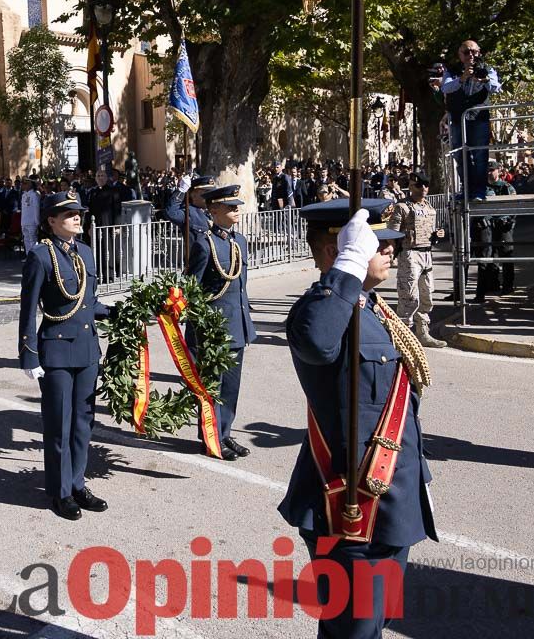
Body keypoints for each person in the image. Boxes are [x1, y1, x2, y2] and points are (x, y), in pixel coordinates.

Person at [280, 199, 437, 639]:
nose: (391, 250)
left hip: (392, 497)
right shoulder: (323, 312)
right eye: (376, 243)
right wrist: (347, 265)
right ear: (337, 251)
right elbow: (314, 341)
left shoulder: (372, 308)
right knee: (352, 630)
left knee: (375, 623)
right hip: (349, 506)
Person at [18, 190, 112, 520]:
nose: (77, 218)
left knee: (84, 423)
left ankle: (77, 484)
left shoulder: (85, 252)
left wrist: (118, 313)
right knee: (60, 424)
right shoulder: (41, 256)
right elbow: (28, 309)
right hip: (56, 350)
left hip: (86, 350)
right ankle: (59, 492)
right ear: (52, 221)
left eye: (79, 213)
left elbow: (89, 301)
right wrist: (29, 354)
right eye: (69, 214)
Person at [186, 184, 255, 460]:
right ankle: (210, 438)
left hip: (237, 324)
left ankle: (224, 432)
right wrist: (196, 330)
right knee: (211, 386)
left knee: (231, 386)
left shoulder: (240, 241)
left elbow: (241, 286)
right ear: (213, 210)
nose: (236, 210)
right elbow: (193, 288)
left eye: (237, 206)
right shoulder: (205, 243)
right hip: (214, 329)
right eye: (229, 207)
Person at [387, 171, 447, 348]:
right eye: (418, 186)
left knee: (427, 295)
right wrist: (394, 251)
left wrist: (437, 235)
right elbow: (392, 233)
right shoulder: (402, 207)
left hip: (426, 254)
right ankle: (404, 338)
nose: (423, 189)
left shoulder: (429, 208)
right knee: (409, 296)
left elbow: (430, 231)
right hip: (410, 254)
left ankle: (423, 333)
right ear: (410, 187)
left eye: (425, 186)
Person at [442, 40, 501, 201]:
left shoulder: (487, 68)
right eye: (466, 52)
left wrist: (486, 80)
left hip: (479, 118)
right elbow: (445, 88)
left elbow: (497, 88)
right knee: (460, 155)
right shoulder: (452, 70)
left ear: (479, 52)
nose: (471, 56)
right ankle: (467, 190)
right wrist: (462, 78)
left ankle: (479, 192)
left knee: (480, 155)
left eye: (474, 52)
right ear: (460, 55)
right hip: (458, 119)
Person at [476, 160, 517, 300]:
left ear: (498, 171)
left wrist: (508, 220)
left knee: (506, 255)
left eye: (492, 170)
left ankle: (508, 286)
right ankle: (492, 284)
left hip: (503, 225)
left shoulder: (506, 187)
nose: (490, 173)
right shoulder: (482, 188)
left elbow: (514, 206)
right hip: (488, 226)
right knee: (489, 256)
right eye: (487, 171)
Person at [164, 174, 215, 238]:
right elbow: (171, 213)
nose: (210, 196)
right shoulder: (189, 212)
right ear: (193, 195)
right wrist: (182, 190)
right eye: (206, 193)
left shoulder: (210, 211)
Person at [20, 177, 40, 253]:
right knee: (26, 240)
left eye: (25, 183)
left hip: (32, 222)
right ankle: (28, 256)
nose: (23, 185)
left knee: (33, 241)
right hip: (24, 221)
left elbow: (36, 208)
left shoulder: (34, 195)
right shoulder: (24, 195)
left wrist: (37, 222)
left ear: (31, 185)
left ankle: (34, 258)